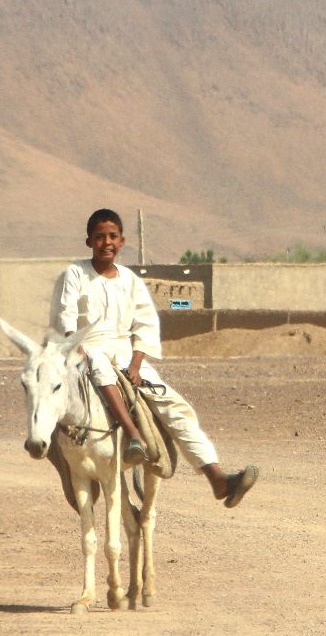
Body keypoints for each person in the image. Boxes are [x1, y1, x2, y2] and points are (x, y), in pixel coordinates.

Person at [50, 208, 259, 508]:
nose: (106, 242)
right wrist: (78, 348)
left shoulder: (131, 281)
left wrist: (136, 365)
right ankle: (134, 437)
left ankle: (217, 477)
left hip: (124, 352)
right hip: (87, 349)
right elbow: (66, 316)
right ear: (88, 242)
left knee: (176, 406)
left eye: (112, 236)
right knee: (96, 370)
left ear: (122, 241)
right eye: (99, 237)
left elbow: (145, 324)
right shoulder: (75, 274)